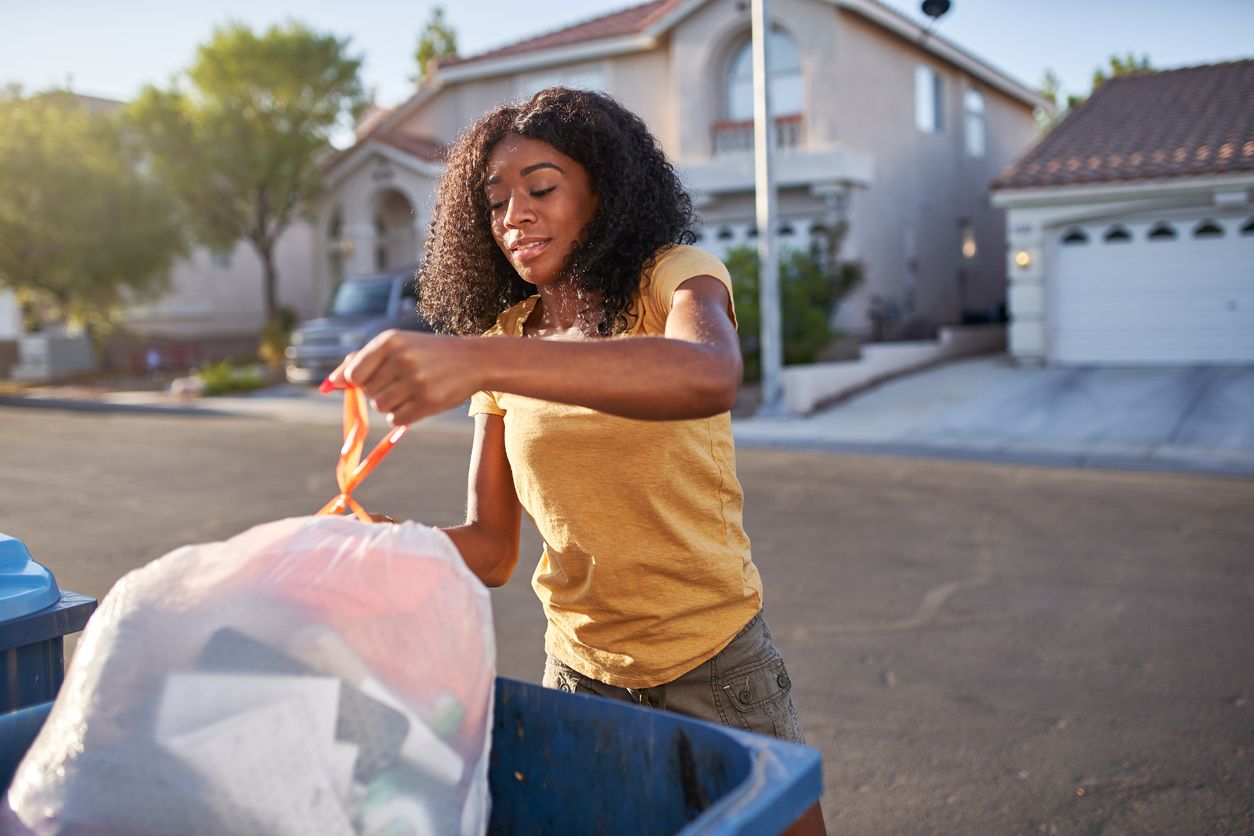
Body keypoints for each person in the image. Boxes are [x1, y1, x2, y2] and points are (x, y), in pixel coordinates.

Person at [326, 87, 825, 834]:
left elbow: (708, 375)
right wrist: (375, 546)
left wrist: (478, 358)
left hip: (717, 664)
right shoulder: (506, 335)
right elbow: (493, 550)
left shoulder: (673, 278)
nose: (514, 216)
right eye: (494, 203)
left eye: (541, 189)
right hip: (582, 676)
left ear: (604, 191)